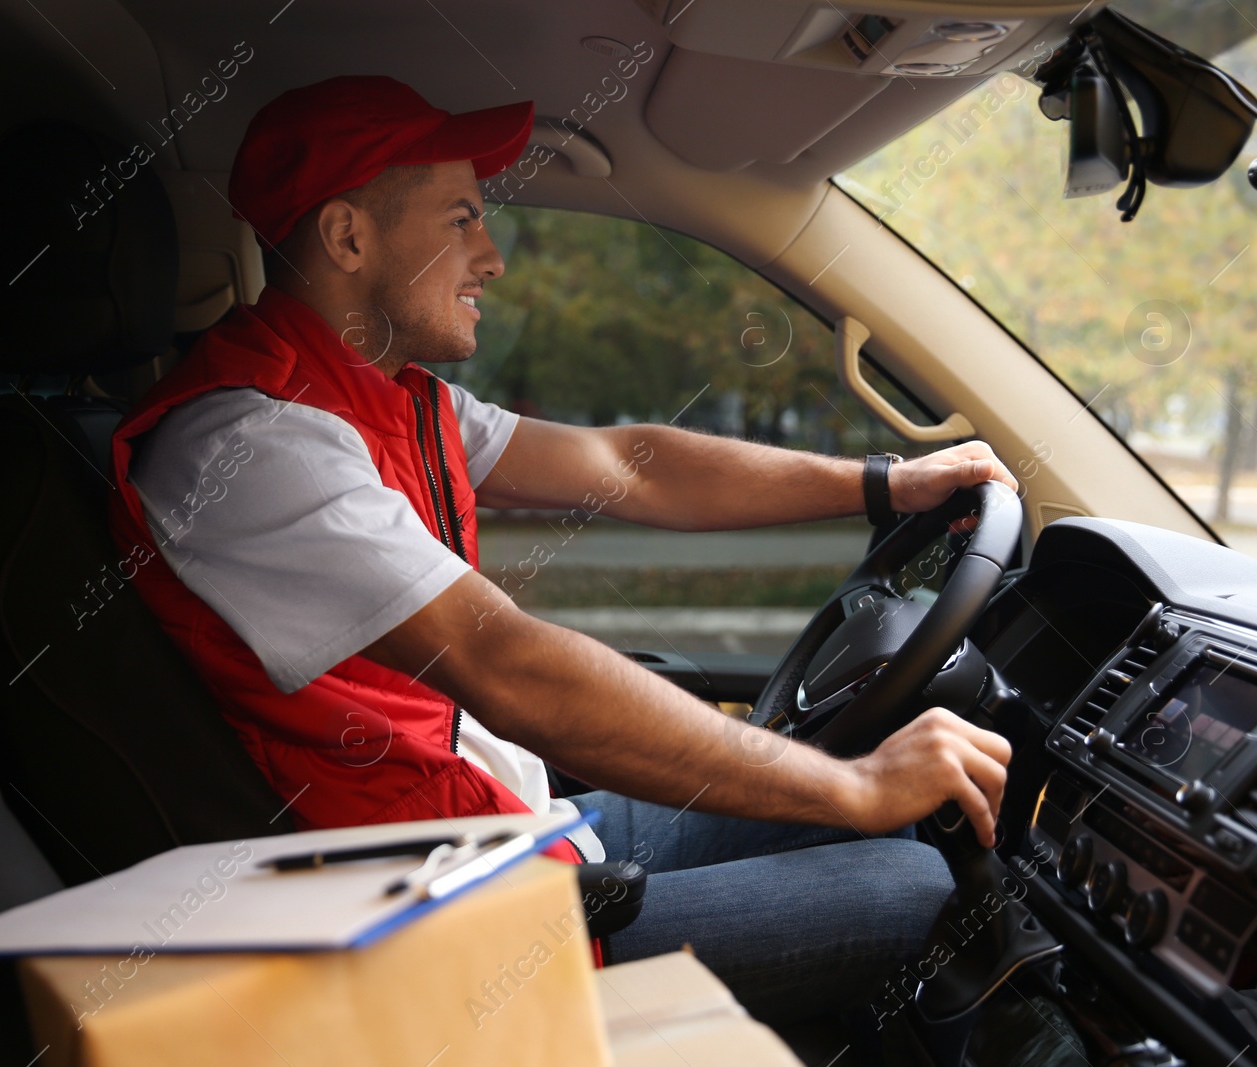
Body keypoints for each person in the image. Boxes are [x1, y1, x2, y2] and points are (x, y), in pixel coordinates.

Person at [108, 75, 1019, 1025]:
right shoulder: (252, 445)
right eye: (461, 219)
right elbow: (506, 664)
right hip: (449, 927)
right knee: (915, 882)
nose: (490, 257)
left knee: (870, 787)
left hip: (508, 834)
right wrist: (854, 785)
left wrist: (882, 482)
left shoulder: (382, 394)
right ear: (347, 237)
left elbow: (629, 466)